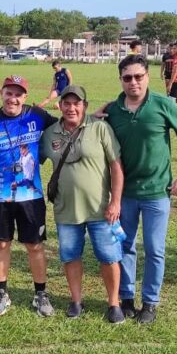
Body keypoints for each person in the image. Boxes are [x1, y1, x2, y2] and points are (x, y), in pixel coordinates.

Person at [103, 54, 177, 323]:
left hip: (158, 192)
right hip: (125, 193)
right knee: (124, 245)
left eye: (138, 76)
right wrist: (95, 114)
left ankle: (150, 302)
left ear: (147, 76)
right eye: (127, 78)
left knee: (155, 249)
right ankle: (126, 297)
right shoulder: (113, 110)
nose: (133, 82)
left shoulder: (162, 104)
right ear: (120, 80)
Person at [0, 76, 57, 317]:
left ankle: (41, 293)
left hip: (30, 194)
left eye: (18, 94)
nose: (13, 98)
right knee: (1, 243)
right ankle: (1, 292)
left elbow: (65, 127)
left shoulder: (38, 116)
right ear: (2, 94)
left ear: (25, 97)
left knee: (34, 244)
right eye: (9, 93)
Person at [40, 85, 125, 322]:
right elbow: (31, 159)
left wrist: (115, 202)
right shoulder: (50, 134)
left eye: (76, 103)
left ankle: (113, 303)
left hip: (101, 209)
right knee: (70, 256)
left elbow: (116, 167)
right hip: (66, 210)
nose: (71, 108)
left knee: (109, 257)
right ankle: (76, 300)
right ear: (60, 106)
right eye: (66, 103)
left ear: (85, 106)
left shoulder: (100, 128)